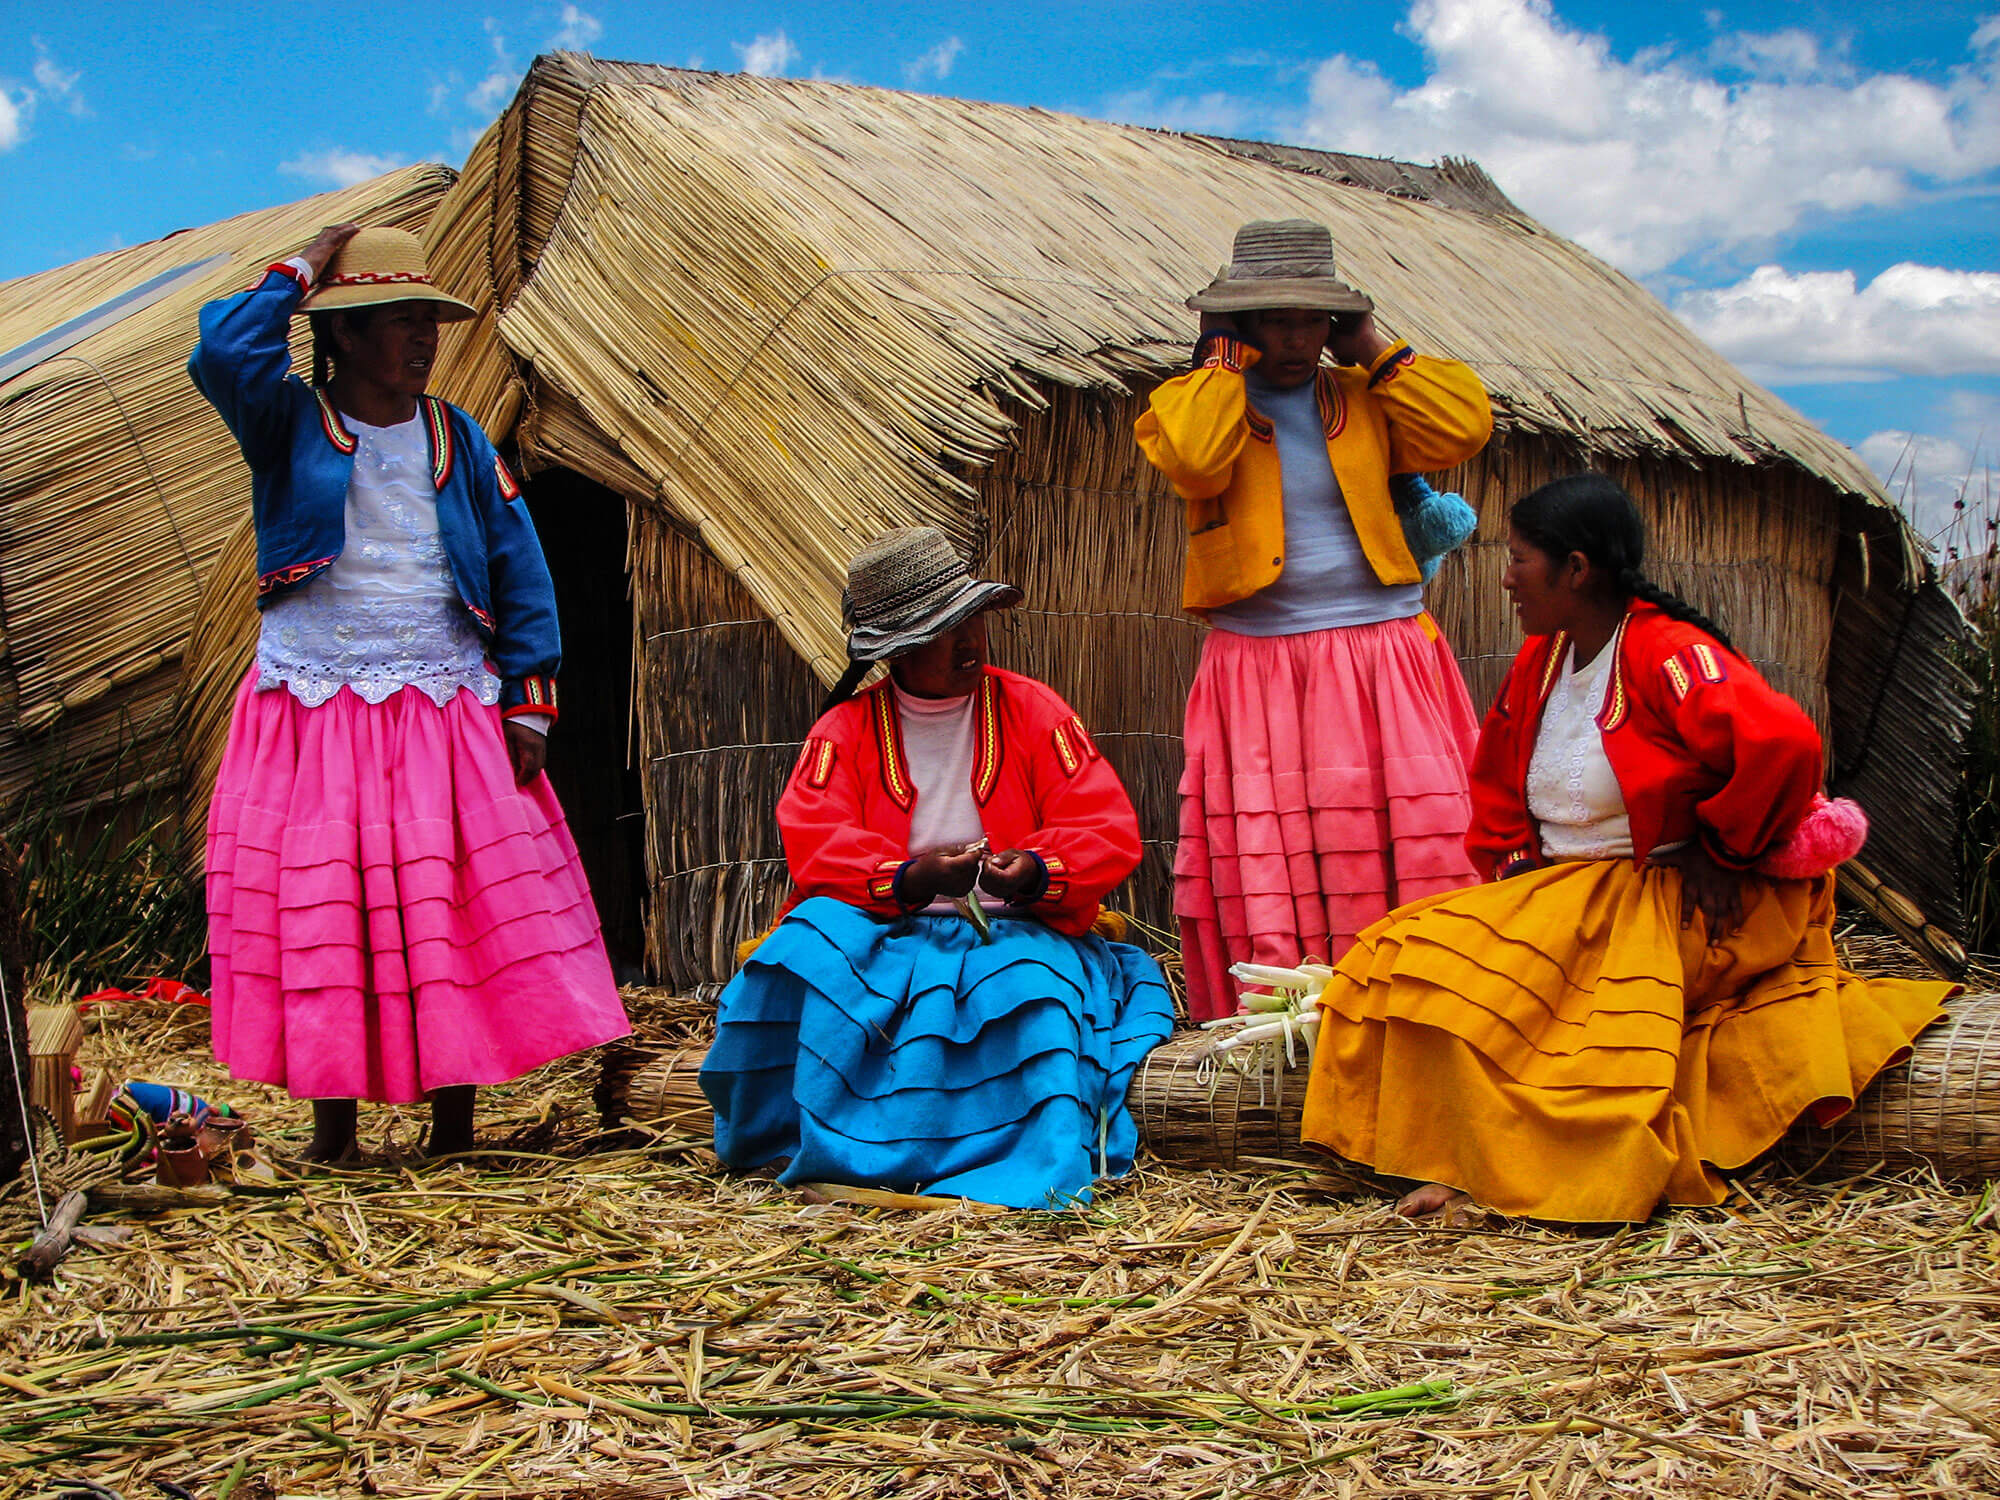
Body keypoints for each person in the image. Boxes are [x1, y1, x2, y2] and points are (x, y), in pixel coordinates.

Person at [1298, 473, 1953, 1223]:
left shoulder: (1668, 653)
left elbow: (1785, 741)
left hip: (1661, 896)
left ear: (1576, 569)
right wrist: (1516, 882)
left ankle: (1531, 1169)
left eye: (1520, 559)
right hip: (1569, 892)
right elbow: (1500, 787)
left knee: (1560, 1019)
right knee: (1401, 953)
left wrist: (1722, 850)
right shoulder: (1543, 661)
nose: (1506, 577)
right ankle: (1457, 1153)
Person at [191, 224, 629, 1162]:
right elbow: (222, 347)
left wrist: (529, 702)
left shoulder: (458, 438)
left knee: (452, 902)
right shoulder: (286, 423)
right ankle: (334, 1133)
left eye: (429, 320)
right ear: (341, 334)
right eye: (399, 322)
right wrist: (302, 267)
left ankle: (454, 1130)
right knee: (328, 909)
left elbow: (520, 567)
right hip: (315, 708)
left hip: (443, 705)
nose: (425, 339)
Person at [699, 528, 1175, 1209]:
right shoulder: (845, 732)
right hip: (886, 929)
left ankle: (1020, 1159)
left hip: (1013, 932)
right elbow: (815, 839)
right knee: (799, 958)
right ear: (892, 654)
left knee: (1025, 993)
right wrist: (911, 878)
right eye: (939, 632)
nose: (967, 642)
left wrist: (1036, 872)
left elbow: (1104, 826)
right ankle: (815, 1144)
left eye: (970, 620)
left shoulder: (1036, 712)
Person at [1136, 219, 1494, 1022]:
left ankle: (1421, 1015)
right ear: (1239, 324)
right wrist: (1220, 359)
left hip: (1384, 656)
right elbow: (1194, 459)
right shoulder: (1192, 404)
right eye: (1274, 319)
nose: (1296, 339)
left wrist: (1371, 344)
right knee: (1279, 862)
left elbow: (1463, 429)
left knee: (1419, 843)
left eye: (1312, 319)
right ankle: (1294, 1035)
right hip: (1260, 668)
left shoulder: (1367, 400)